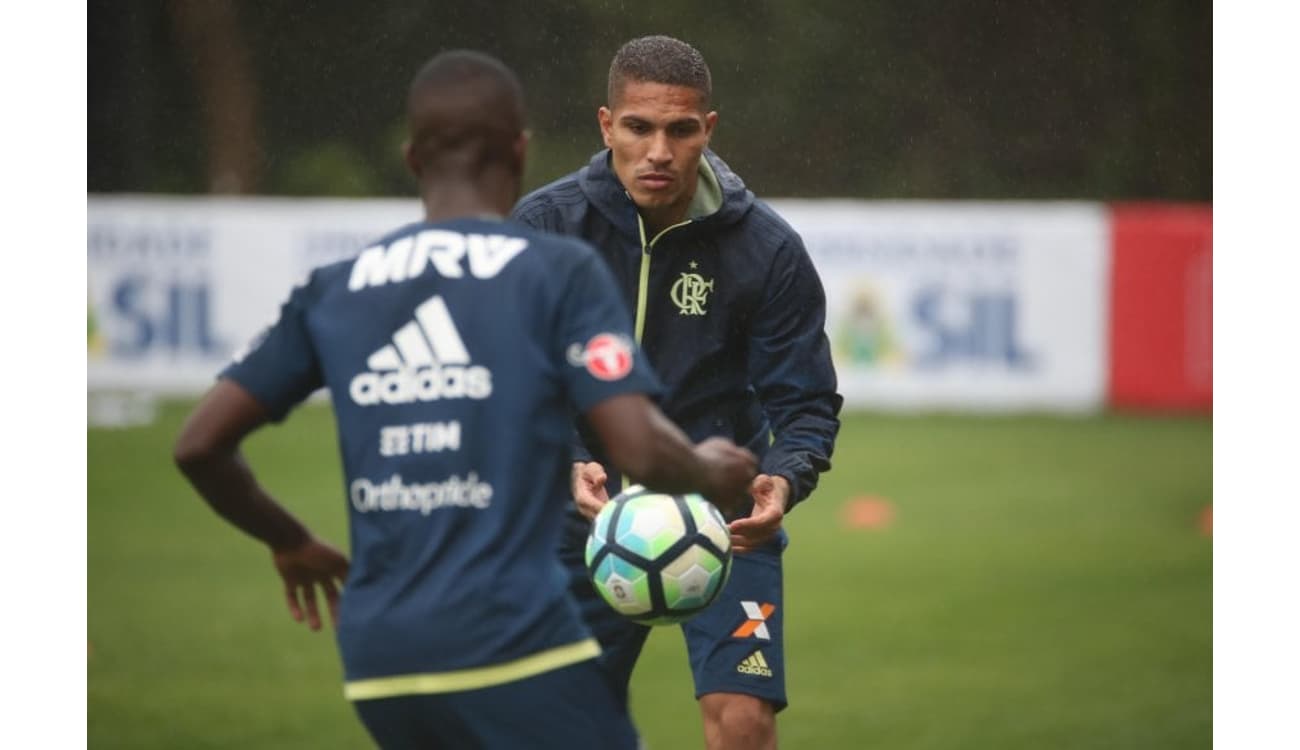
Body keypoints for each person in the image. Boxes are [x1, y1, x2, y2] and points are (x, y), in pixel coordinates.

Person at [173, 50, 758, 750]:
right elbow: (636, 446)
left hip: (380, 663)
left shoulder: (337, 288)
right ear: (519, 148)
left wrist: (290, 540)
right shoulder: (553, 269)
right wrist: (710, 470)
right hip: (514, 643)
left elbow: (199, 445)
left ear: (412, 156)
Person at [511, 36, 843, 750]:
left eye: (679, 129)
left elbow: (807, 404)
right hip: (577, 528)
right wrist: (567, 460)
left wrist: (782, 481)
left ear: (708, 131)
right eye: (638, 127)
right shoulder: (545, 229)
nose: (658, 150)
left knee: (743, 720)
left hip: (722, 520)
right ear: (607, 126)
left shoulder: (768, 250)